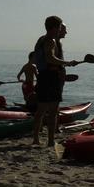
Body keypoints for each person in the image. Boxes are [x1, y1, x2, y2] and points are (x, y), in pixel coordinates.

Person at [32, 16, 79, 146]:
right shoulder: (51, 41)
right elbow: (50, 58)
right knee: (53, 111)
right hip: (50, 77)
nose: (60, 30)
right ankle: (51, 141)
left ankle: (35, 138)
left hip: (42, 77)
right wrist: (67, 63)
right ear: (54, 28)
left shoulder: (40, 39)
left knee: (40, 110)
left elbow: (37, 59)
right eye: (59, 27)